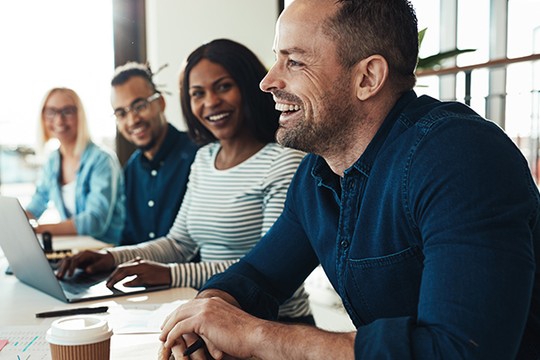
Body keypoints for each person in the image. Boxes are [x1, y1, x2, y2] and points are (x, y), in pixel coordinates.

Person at [159, 1, 540, 359]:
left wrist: (254, 335)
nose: (268, 81)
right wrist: (207, 313)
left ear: (367, 77)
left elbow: (459, 350)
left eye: (293, 62)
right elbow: (256, 276)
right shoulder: (318, 171)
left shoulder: (459, 157)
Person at [57, 39, 314, 325]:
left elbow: (268, 267)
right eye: (197, 93)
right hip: (215, 316)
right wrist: (111, 257)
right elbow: (179, 243)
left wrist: (169, 274)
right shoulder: (204, 158)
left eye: (223, 87)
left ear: (248, 86)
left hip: (274, 326)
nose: (210, 102)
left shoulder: (283, 161)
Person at [110, 62, 199, 245]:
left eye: (139, 106)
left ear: (160, 103)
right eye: (121, 113)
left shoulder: (198, 156)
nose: (132, 120)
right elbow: (128, 238)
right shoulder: (131, 170)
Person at [26, 87, 125, 245]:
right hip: (74, 249)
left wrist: (36, 230)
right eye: (51, 111)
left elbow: (94, 222)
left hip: (104, 253)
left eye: (67, 111)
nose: (59, 120)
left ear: (80, 115)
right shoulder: (53, 161)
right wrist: (17, 222)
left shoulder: (102, 160)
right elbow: (38, 202)